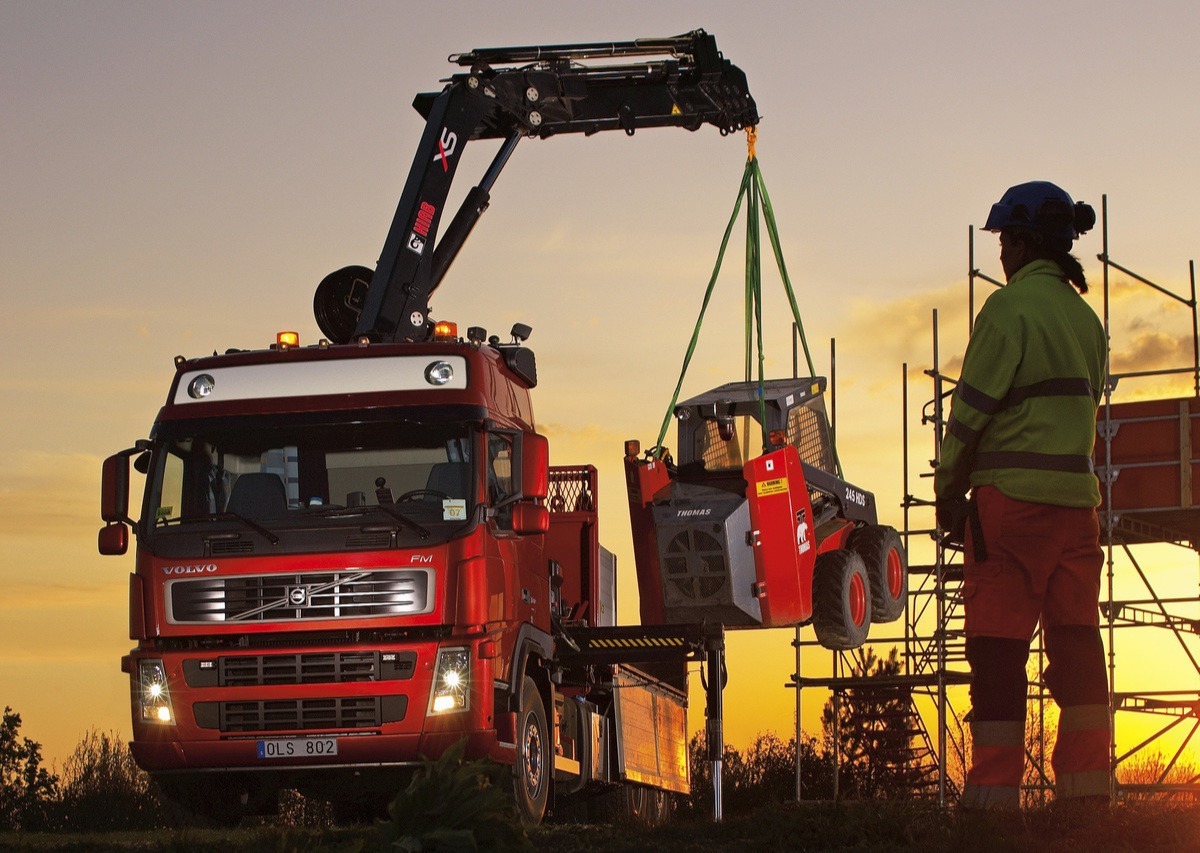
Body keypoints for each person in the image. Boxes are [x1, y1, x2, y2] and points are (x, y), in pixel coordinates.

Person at [934, 180, 1109, 809]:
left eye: (1006, 239)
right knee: (1078, 647)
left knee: (998, 652)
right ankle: (1088, 799)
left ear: (1027, 241)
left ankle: (992, 806)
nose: (1001, 253)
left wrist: (950, 488)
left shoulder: (1008, 312)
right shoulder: (1088, 321)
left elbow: (971, 413)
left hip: (1010, 509)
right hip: (1078, 512)